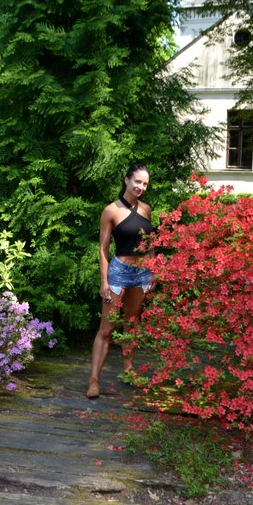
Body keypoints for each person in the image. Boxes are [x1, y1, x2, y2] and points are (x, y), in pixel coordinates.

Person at [86, 162, 155, 399]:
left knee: (132, 325)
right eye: (137, 181)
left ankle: (129, 370)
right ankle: (94, 380)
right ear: (126, 180)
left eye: (145, 184)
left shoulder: (146, 209)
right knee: (106, 329)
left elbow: (150, 244)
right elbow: (103, 249)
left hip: (142, 273)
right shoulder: (111, 211)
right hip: (119, 272)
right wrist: (103, 282)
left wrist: (153, 270)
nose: (141, 187)